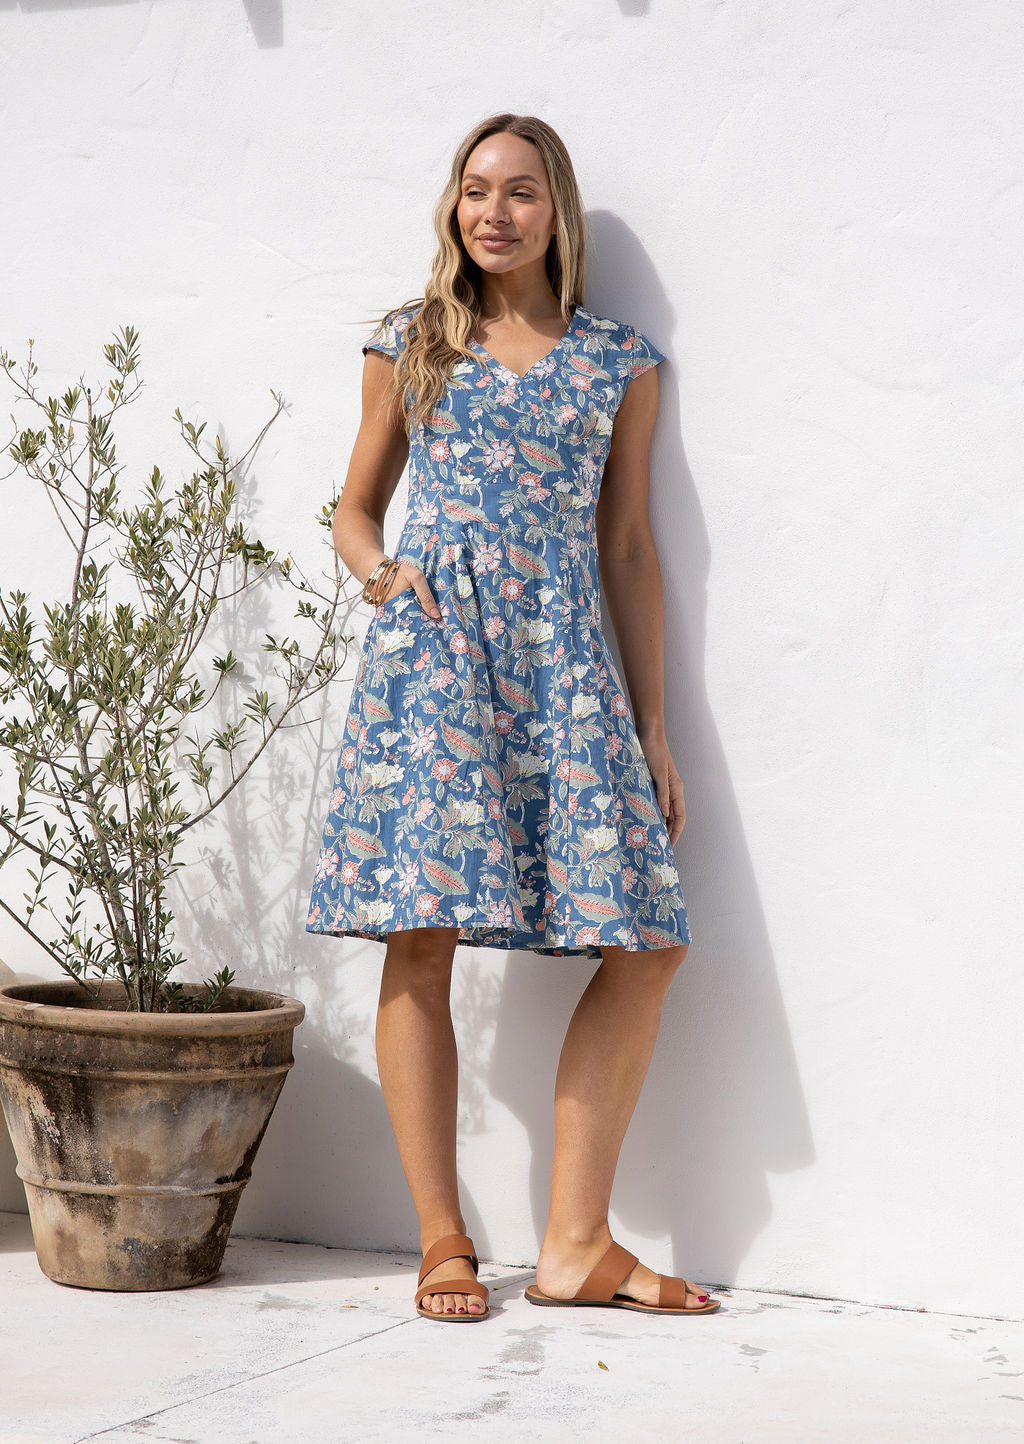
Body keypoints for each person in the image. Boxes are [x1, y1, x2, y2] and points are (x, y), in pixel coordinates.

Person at [308, 113, 720, 1322]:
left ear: (556, 211)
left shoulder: (619, 364)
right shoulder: (412, 343)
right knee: (422, 935)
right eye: (476, 188)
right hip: (437, 659)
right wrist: (385, 579)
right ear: (455, 205)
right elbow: (352, 510)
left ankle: (574, 1245)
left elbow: (628, 546)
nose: (494, 211)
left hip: (565, 669)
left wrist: (651, 727)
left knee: (647, 941)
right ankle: (441, 1239)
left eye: (520, 191)